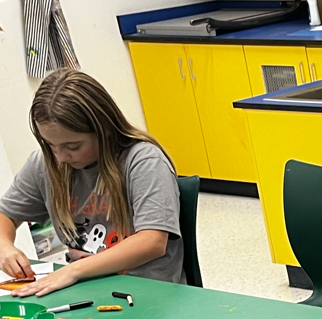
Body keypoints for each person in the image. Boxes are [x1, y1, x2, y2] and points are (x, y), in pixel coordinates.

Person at [0, 68, 184, 295]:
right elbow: (5, 215)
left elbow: (152, 241)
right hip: (85, 288)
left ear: (103, 130)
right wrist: (4, 247)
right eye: (50, 145)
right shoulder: (45, 164)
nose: (60, 157)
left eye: (73, 146)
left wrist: (73, 271)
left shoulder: (144, 161)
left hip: (145, 291)